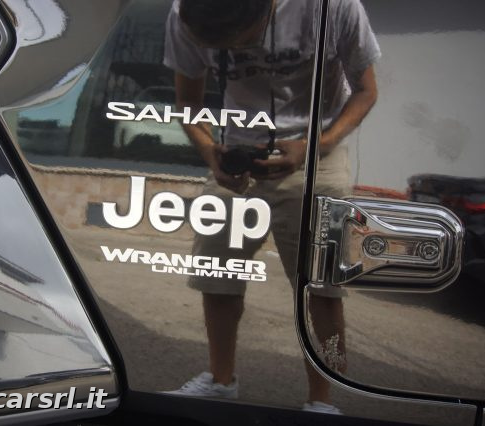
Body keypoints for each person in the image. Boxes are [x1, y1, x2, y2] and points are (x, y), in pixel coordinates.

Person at [163, 0, 380, 413]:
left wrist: (315, 146)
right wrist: (210, 153)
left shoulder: (334, 7)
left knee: (321, 289)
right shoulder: (187, 12)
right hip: (237, 156)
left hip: (318, 153)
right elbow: (189, 105)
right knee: (217, 274)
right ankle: (220, 382)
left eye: (238, 42)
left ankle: (322, 401)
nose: (231, 51)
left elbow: (366, 91)